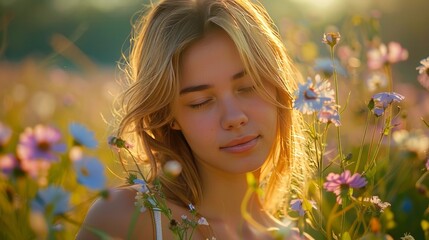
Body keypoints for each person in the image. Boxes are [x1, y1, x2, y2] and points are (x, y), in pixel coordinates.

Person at [76, 0, 313, 239]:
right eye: (200, 101)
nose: (234, 118)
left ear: (277, 84)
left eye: (249, 86)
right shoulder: (128, 217)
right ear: (169, 116)